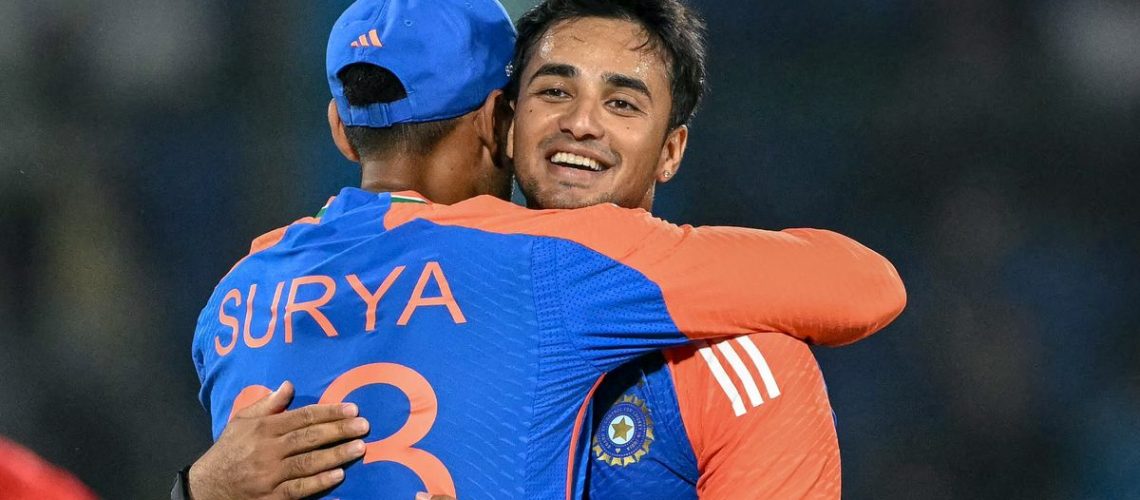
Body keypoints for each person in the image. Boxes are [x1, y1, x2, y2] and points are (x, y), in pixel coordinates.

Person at [182, 0, 906, 499]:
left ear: (672, 150)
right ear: (504, 117)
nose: (580, 125)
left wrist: (194, 488)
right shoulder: (534, 265)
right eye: (553, 92)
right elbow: (865, 284)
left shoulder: (236, 296)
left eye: (622, 103)